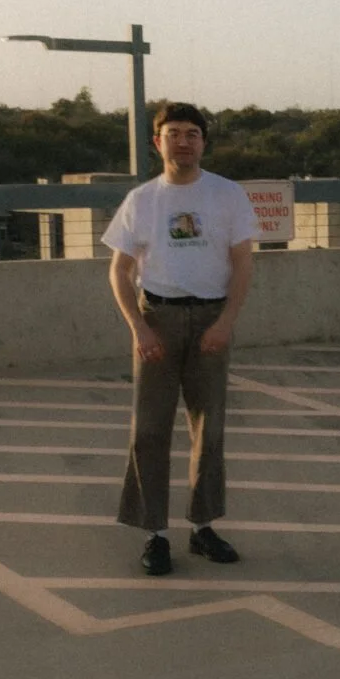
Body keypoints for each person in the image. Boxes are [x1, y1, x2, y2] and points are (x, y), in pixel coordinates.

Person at [104, 102, 260, 576]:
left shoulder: (227, 195)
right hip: (159, 319)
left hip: (211, 317)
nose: (184, 141)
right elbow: (120, 270)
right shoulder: (142, 200)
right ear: (158, 142)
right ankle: (155, 535)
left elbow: (243, 263)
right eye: (174, 133)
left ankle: (203, 527)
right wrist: (139, 327)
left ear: (203, 142)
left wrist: (226, 322)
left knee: (208, 431)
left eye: (193, 133)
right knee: (149, 432)